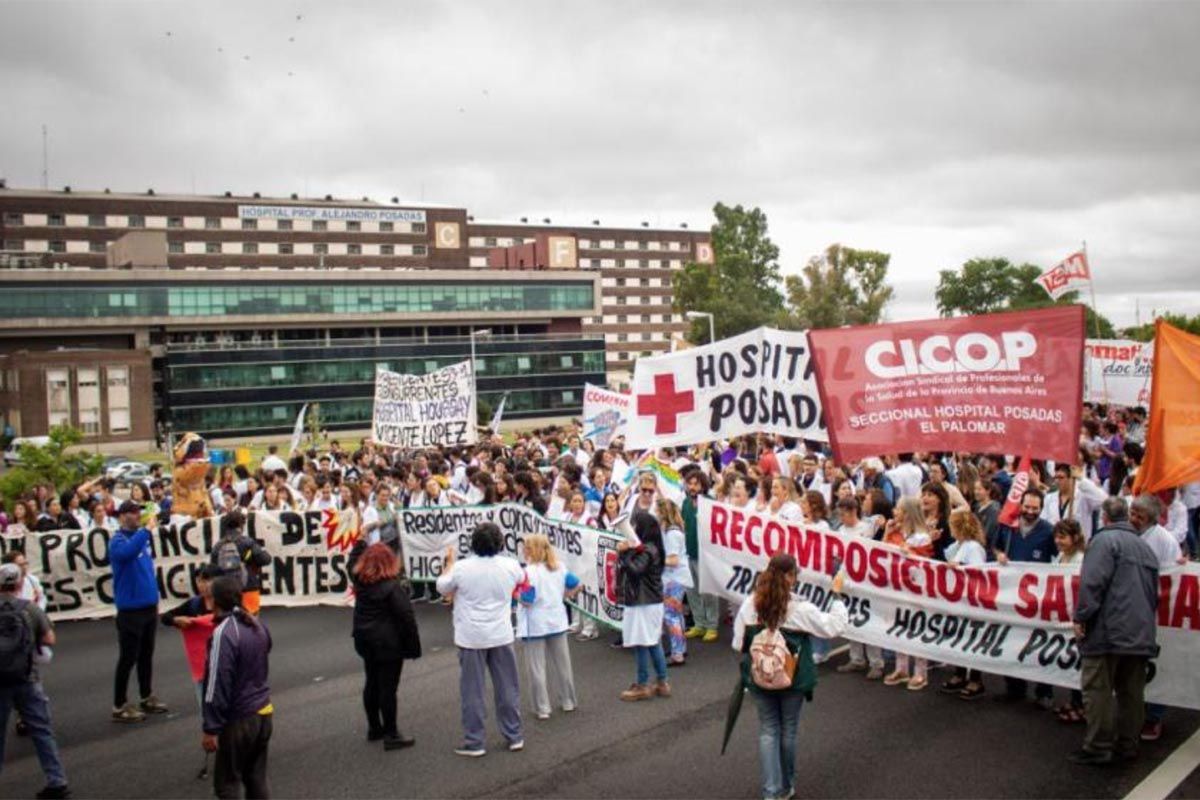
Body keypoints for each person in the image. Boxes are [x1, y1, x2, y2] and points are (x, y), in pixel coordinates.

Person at [731, 553, 848, 800]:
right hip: (792, 677)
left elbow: (738, 643)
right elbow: (834, 627)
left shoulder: (750, 605)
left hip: (761, 677)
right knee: (789, 730)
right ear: (791, 577)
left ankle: (770, 792)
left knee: (768, 729)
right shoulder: (800, 608)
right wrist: (836, 594)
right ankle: (786, 786)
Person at [1069, 497, 1159, 766]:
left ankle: (1098, 746)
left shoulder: (1103, 542)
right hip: (1140, 631)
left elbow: (1092, 583)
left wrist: (1082, 617)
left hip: (1108, 629)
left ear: (1105, 518)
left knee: (1098, 689)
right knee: (1132, 692)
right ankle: (1128, 744)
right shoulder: (1146, 549)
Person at [436, 523, 526, 757]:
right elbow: (521, 579)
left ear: (473, 543)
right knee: (508, 687)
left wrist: (449, 564)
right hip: (501, 634)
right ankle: (514, 735)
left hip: (471, 637)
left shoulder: (462, 568)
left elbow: (441, 587)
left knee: (472, 692)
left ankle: (475, 741)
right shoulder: (511, 565)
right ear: (500, 543)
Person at [0, 563, 70, 800]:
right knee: (41, 731)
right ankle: (56, 780)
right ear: (19, 584)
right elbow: (50, 638)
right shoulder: (29, 609)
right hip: (27, 677)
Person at [202, 575, 273, 799]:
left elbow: (217, 681)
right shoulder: (256, 624)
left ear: (214, 600)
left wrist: (210, 727)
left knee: (227, 784)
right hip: (263, 712)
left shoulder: (224, 633)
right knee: (256, 780)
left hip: (240, 718)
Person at [348, 540, 421, 750]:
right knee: (388, 688)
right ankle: (392, 733)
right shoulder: (392, 587)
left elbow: (352, 560)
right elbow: (407, 617)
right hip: (388, 643)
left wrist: (360, 542)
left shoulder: (359, 580)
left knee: (371, 682)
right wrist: (413, 647)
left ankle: (374, 727)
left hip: (364, 638)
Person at [992, 489, 1057, 707]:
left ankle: (1044, 691)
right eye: (1027, 507)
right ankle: (1015, 687)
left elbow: (1060, 557)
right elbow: (994, 546)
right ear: (1020, 505)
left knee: (1039, 643)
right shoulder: (1007, 526)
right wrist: (998, 554)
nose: (1030, 512)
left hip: (1037, 599)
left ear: (1041, 508)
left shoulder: (1049, 531)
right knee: (1012, 641)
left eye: (1035, 509)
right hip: (1011, 596)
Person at [109, 499, 168, 722]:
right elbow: (127, 554)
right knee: (128, 658)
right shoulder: (118, 541)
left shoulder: (141, 540)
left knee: (146, 655)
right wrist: (146, 530)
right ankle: (119, 704)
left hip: (147, 607)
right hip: (130, 611)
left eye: (138, 512)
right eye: (133, 513)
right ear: (122, 516)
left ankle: (146, 696)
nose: (137, 516)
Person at [515, 534, 580, 720]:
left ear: (531, 550)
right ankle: (568, 701)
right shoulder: (559, 567)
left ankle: (543, 708)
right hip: (557, 621)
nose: (523, 550)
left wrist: (514, 594)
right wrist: (563, 596)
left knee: (537, 668)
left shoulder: (529, 572)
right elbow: (577, 585)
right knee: (563, 665)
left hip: (534, 624)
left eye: (526, 547)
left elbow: (527, 601)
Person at [617, 512, 671, 701]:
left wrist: (624, 553)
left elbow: (635, 570)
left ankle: (643, 684)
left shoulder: (648, 550)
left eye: (635, 525)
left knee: (642, 642)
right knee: (652, 641)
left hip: (643, 603)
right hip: (647, 602)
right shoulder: (651, 548)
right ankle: (662, 682)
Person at [939, 509, 988, 699]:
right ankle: (959, 673)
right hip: (958, 600)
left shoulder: (973, 547)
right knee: (959, 636)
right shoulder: (959, 545)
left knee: (973, 638)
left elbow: (977, 572)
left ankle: (975, 678)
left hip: (971, 601)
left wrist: (960, 568)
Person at [161, 565, 218, 711]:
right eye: (199, 581)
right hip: (201, 665)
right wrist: (176, 620)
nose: (203, 585)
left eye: (207, 581)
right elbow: (166, 617)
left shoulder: (226, 602)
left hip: (224, 664)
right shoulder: (194, 604)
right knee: (206, 710)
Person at [1050, 520, 1087, 723]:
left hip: (1075, 616)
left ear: (1074, 538)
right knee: (1073, 662)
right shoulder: (1062, 556)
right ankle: (1074, 701)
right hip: (1063, 615)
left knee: (1080, 663)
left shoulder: (1080, 560)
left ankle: (1081, 705)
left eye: (1062, 537)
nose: (1058, 541)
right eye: (1057, 536)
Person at [682, 472, 721, 643]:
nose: (692, 487)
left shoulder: (710, 503)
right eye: (690, 484)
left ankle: (712, 625)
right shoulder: (685, 503)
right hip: (688, 553)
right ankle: (699, 623)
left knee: (708, 592)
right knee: (692, 591)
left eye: (696, 484)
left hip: (705, 556)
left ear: (703, 485)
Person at [210, 509, 272, 615]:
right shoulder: (248, 542)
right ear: (241, 525)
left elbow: (212, 570)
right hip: (249, 587)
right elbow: (265, 559)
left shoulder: (217, 546)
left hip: (226, 591)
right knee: (251, 623)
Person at [658, 499, 692, 666]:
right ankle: (680, 647)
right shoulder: (674, 531)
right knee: (677, 614)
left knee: (671, 615)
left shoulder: (671, 534)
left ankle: (677, 653)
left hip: (674, 579)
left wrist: (656, 560)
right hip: (677, 578)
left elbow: (672, 560)